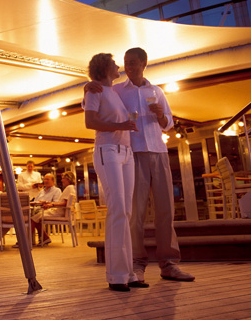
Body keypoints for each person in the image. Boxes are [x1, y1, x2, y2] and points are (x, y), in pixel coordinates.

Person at [85, 47, 194, 284]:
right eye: (125, 63)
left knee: (166, 211)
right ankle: (137, 263)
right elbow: (97, 98)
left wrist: (160, 116)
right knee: (135, 213)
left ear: (144, 63)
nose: (128, 67)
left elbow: (169, 125)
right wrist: (87, 86)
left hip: (159, 152)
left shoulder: (157, 91)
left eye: (133, 62)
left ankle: (169, 264)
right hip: (132, 154)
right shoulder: (117, 90)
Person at [83, 52, 143, 292]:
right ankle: (116, 275)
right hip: (107, 151)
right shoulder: (94, 90)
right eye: (114, 63)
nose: (118, 65)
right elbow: (90, 122)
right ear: (104, 67)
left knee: (126, 211)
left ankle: (128, 273)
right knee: (118, 208)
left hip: (126, 153)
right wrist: (121, 126)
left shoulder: (114, 91)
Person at [28, 174, 62, 246]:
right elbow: (36, 201)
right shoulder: (42, 191)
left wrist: (46, 204)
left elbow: (57, 203)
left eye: (47, 179)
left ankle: (26, 240)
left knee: (33, 218)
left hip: (49, 210)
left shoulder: (57, 190)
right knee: (26, 216)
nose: (45, 181)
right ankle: (43, 238)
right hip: (37, 209)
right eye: (45, 179)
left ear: (53, 181)